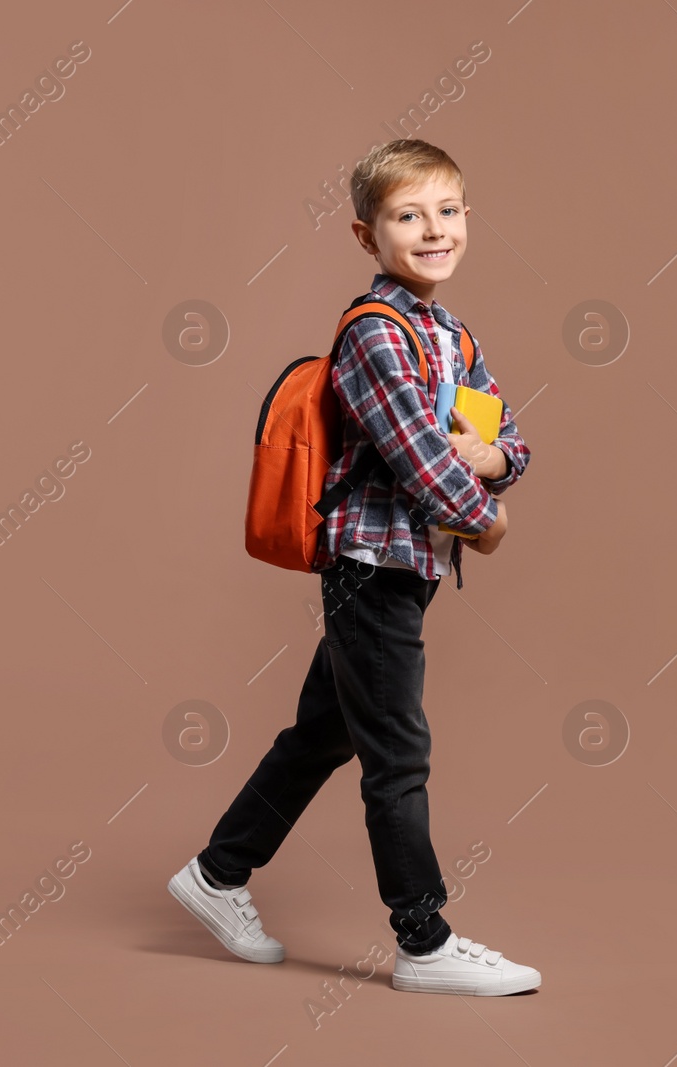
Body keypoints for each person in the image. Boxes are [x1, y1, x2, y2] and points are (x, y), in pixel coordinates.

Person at [168, 139, 538, 996]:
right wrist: (488, 519)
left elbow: (512, 440)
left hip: (406, 566)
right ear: (366, 234)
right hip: (372, 566)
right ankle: (423, 937)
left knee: (323, 735)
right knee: (398, 754)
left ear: (467, 220)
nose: (432, 230)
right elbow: (422, 461)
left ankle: (217, 875)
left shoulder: (450, 334)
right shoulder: (376, 333)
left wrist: (491, 466)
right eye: (408, 216)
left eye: (447, 211)